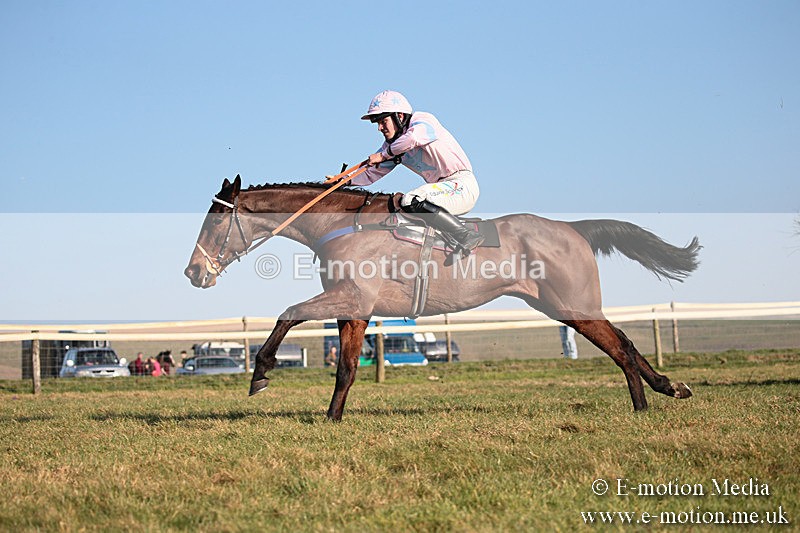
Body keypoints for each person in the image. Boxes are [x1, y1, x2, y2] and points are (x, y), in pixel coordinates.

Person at [345, 90, 484, 253]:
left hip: (461, 186)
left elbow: (413, 138)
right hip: (443, 189)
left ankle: (466, 236)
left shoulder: (423, 121)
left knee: (410, 200)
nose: (380, 128)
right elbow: (372, 171)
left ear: (400, 117)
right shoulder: (393, 146)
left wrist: (384, 155)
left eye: (383, 121)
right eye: (377, 123)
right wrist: (344, 181)